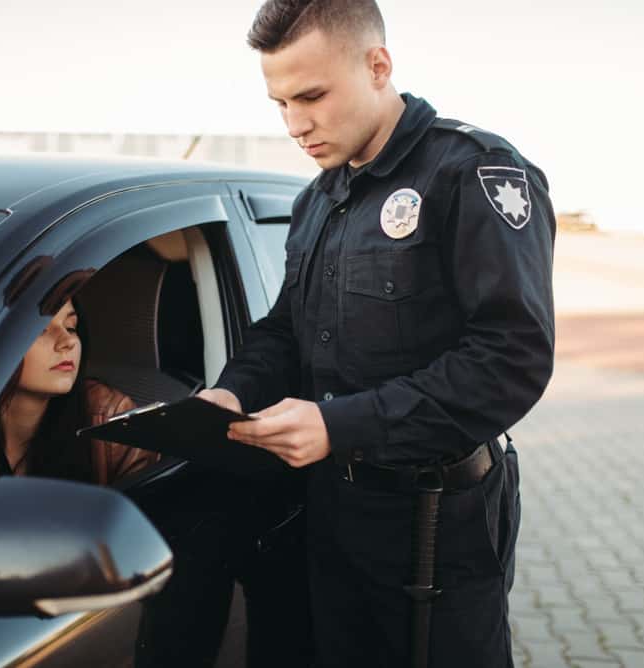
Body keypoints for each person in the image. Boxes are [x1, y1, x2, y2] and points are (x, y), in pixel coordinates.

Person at [198, 1, 555, 667]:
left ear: (378, 66)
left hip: (436, 526)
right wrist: (230, 393)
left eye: (312, 95)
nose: (295, 124)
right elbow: (284, 330)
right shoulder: (318, 199)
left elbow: (512, 358)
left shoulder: (472, 172)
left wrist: (343, 426)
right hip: (331, 513)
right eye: (279, 103)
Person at [0, 297, 159, 514]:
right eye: (40, 330)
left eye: (71, 327)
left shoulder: (108, 417)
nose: (68, 341)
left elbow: (143, 527)